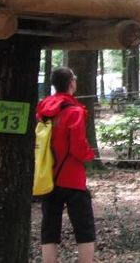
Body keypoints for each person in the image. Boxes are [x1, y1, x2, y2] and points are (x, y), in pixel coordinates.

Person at [36, 66, 96, 263]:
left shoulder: (44, 108)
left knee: (49, 228)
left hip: (48, 177)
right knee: (84, 227)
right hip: (72, 178)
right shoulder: (75, 111)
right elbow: (78, 147)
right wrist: (89, 154)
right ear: (71, 82)